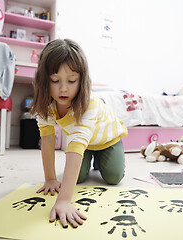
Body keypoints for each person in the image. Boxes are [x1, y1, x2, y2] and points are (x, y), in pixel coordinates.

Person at [30, 39, 128, 228]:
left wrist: (64, 200)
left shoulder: (88, 104)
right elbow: (48, 140)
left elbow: (74, 149)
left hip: (108, 139)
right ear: (44, 80)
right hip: (85, 143)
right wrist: (50, 178)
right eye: (55, 81)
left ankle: (100, 158)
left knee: (114, 177)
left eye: (71, 81)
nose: (63, 88)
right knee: (80, 178)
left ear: (81, 80)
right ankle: (92, 155)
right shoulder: (46, 105)